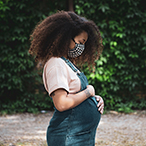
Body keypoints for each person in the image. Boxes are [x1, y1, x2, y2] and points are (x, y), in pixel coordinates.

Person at [29, 11, 104, 146]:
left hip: (80, 135)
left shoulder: (67, 63)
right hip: (69, 137)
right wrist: (88, 92)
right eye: (81, 42)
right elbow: (62, 103)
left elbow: (74, 94)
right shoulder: (56, 64)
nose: (82, 47)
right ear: (66, 37)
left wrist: (94, 100)